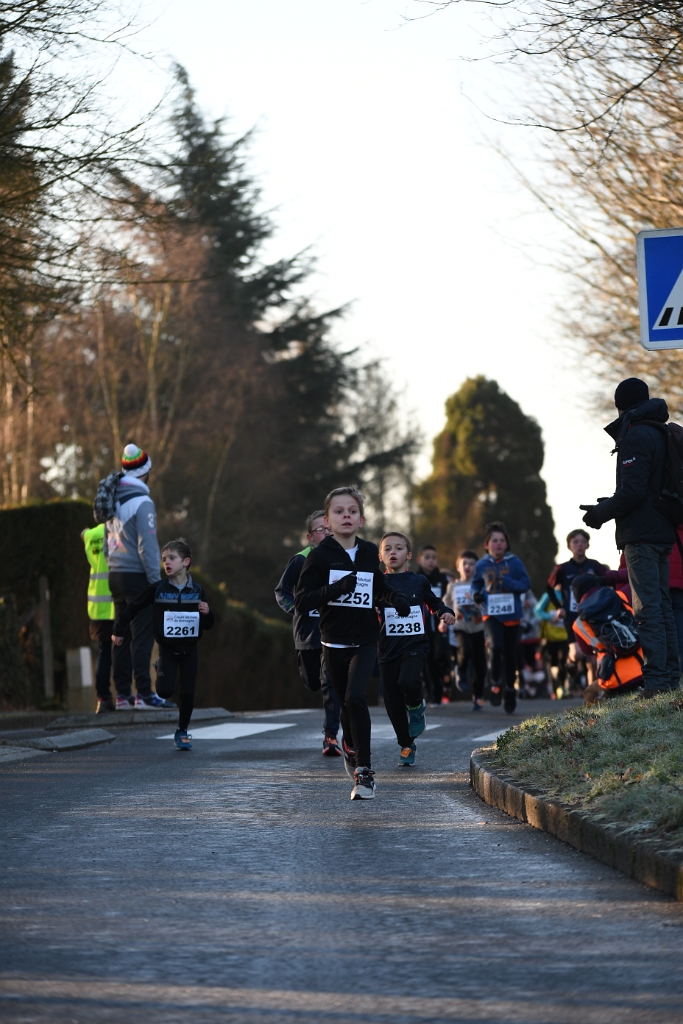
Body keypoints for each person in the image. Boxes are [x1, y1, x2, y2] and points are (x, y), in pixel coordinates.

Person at [294, 486, 411, 800]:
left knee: (356, 697)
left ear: (361, 519)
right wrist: (336, 589)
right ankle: (349, 744)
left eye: (352, 511)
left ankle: (364, 772)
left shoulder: (370, 552)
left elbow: (378, 586)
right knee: (346, 705)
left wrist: (395, 598)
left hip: (366, 640)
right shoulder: (320, 556)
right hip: (333, 643)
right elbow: (302, 601)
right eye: (338, 511)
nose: (346, 516)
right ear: (327, 520)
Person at [580, 377, 679, 696]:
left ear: (620, 406)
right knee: (662, 607)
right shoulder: (661, 431)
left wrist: (600, 513)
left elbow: (633, 492)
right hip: (662, 530)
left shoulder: (636, 435)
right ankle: (670, 677)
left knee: (647, 609)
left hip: (642, 536)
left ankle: (657, 682)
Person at [112, 539, 214, 750]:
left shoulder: (197, 590)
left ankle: (182, 731)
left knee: (187, 693)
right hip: (167, 649)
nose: (166, 562)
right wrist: (118, 630)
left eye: (172, 558)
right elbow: (133, 607)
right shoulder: (157, 589)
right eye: (164, 559)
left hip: (190, 649)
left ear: (186, 562)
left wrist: (207, 613)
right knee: (165, 692)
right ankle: (160, 666)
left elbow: (208, 624)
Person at [378, 532, 455, 766]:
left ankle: (416, 705)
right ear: (380, 556)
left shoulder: (418, 581)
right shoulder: (376, 583)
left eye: (399, 548)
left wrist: (445, 612)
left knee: (408, 681)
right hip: (387, 649)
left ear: (409, 555)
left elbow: (434, 602)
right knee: (392, 703)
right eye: (387, 549)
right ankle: (406, 744)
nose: (393, 552)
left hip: (414, 645)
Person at [106, 443, 174, 709]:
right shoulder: (143, 502)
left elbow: (107, 542)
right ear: (145, 473)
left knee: (120, 637)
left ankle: (122, 695)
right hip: (137, 577)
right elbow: (148, 546)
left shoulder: (112, 500)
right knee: (142, 637)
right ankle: (144, 694)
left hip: (115, 576)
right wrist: (155, 583)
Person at [275, 510, 342, 756]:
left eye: (330, 529)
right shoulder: (300, 560)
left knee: (330, 683)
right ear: (310, 537)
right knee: (314, 682)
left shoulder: (344, 559)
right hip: (307, 634)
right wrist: (296, 609)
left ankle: (331, 736)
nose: (327, 533)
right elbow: (282, 591)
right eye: (321, 530)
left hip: (334, 634)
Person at [472, 522, 531, 714]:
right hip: (491, 613)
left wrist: (509, 583)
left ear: (506, 544)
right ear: (486, 545)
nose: (498, 544)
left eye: (502, 541)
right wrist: (475, 595)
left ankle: (510, 688)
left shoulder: (515, 562)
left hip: (512, 614)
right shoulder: (481, 565)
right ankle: (496, 681)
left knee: (510, 653)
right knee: (496, 646)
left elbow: (526, 584)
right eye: (494, 541)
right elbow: (475, 585)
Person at [440, 550, 487, 710]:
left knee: (480, 663)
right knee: (465, 650)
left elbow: (489, 603)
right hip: (460, 626)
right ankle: (460, 669)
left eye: (472, 564)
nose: (468, 567)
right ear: (458, 566)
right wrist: (443, 621)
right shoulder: (453, 586)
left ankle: (478, 696)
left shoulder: (481, 585)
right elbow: (446, 604)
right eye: (464, 564)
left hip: (479, 627)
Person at [82, 522, 116, 714]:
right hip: (115, 603)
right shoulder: (117, 530)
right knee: (121, 652)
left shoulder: (91, 534)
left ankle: (103, 698)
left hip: (97, 604)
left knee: (104, 653)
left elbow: (83, 534)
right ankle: (124, 696)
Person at [415, 545, 451, 704]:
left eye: (433, 558)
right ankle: (433, 693)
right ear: (419, 559)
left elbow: (449, 599)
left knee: (440, 655)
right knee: (427, 661)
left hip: (441, 625)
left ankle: (446, 680)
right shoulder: (415, 578)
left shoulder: (443, 579)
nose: (431, 561)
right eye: (427, 557)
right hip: (422, 626)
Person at [534, 584, 569, 698]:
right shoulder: (548, 596)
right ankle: (555, 686)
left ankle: (562, 686)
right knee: (553, 663)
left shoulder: (569, 594)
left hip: (565, 635)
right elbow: (537, 610)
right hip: (551, 636)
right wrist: (549, 617)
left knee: (563, 661)